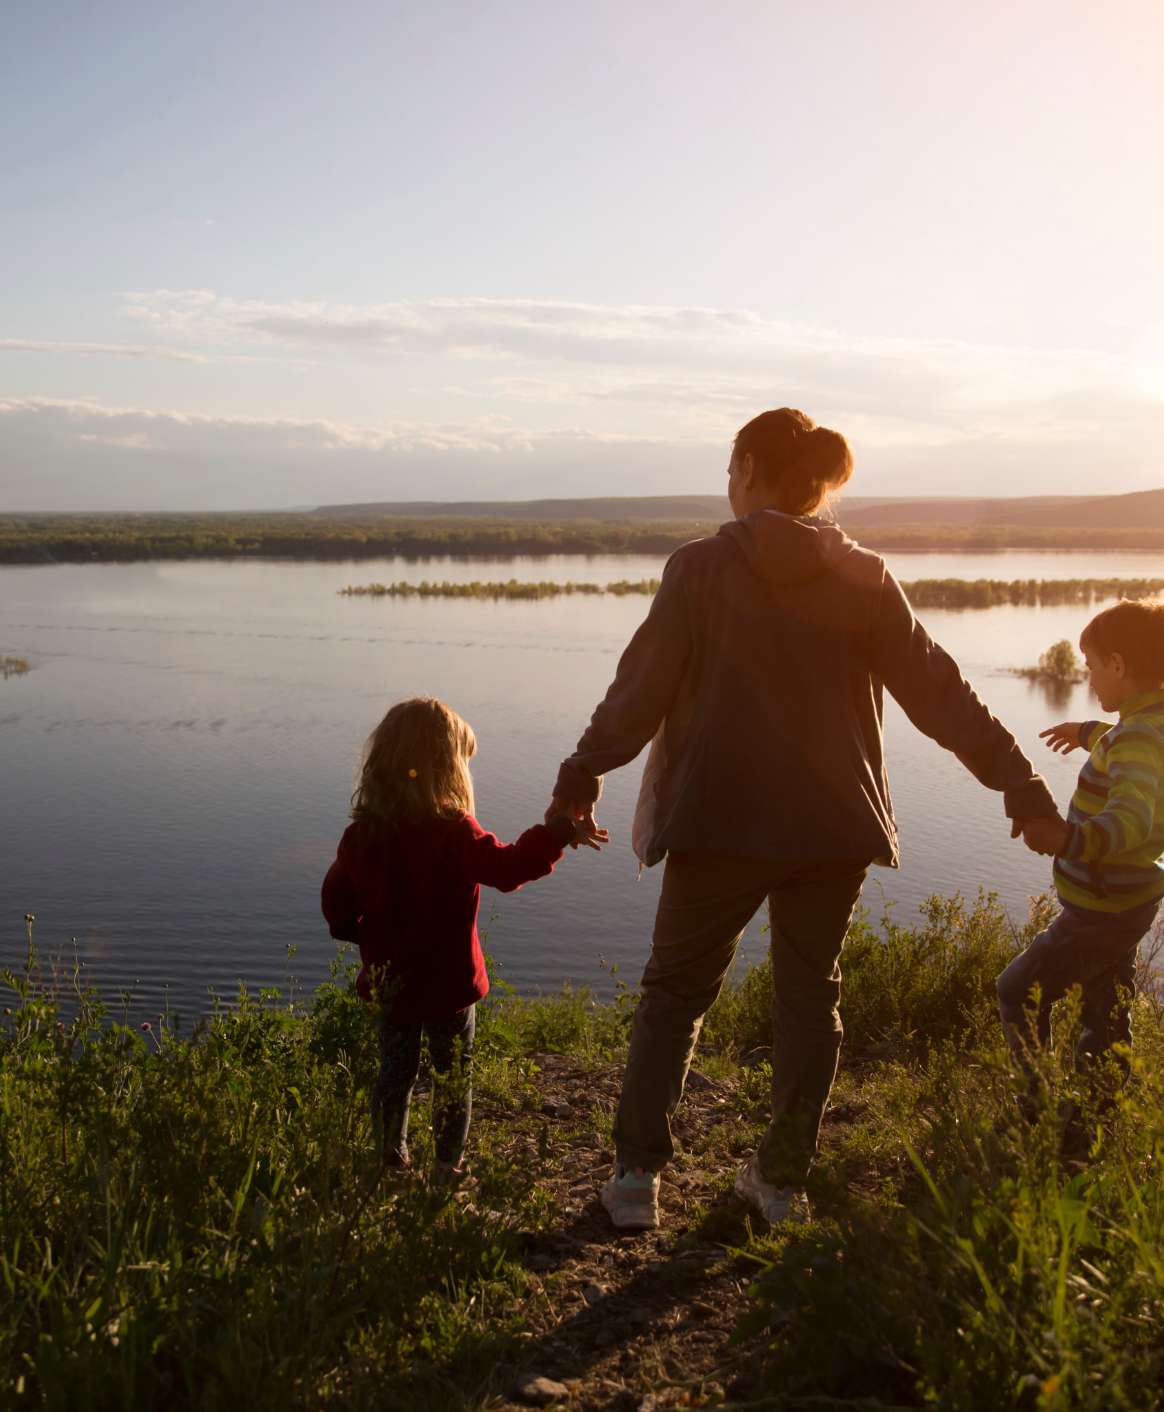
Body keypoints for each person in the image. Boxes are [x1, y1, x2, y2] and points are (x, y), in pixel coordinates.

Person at [547, 407, 1058, 1230]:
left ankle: (637, 1181)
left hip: (719, 820)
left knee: (674, 994)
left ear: (748, 466)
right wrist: (1019, 782)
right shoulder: (864, 574)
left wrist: (582, 770)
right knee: (810, 999)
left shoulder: (701, 568)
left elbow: (641, 688)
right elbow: (939, 693)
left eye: (729, 466)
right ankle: (779, 1184)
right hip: (833, 829)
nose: (726, 481)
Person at [322, 696, 606, 1183]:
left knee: (395, 1076)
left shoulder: (361, 837)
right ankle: (446, 1169)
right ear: (447, 768)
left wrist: (373, 943)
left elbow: (337, 909)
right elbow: (508, 867)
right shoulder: (453, 832)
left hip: (392, 987)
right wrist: (557, 831)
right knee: (452, 1080)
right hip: (451, 988)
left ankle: (390, 1165)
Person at [999, 599, 1164, 1117]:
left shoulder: (1136, 737)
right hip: (1128, 901)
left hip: (1101, 906)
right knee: (1106, 1009)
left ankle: (1035, 1110)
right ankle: (1101, 1114)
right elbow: (1132, 743)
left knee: (1018, 990)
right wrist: (1089, 732)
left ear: (1118, 664)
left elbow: (1129, 820)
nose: (1089, 677)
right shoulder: (1147, 724)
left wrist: (1066, 840)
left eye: (1092, 666)